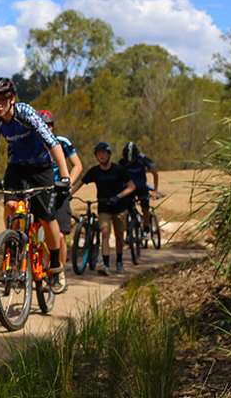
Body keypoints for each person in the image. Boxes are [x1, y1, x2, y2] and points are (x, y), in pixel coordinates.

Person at [0, 78, 72, 294]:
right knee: (9, 204)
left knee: (46, 217)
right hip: (17, 166)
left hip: (41, 167)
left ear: (12, 99)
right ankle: (13, 244)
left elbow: (51, 142)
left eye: (1, 100)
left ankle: (56, 267)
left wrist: (64, 176)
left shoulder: (26, 113)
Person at [68, 142, 135, 275]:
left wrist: (118, 196)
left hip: (119, 207)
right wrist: (69, 194)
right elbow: (80, 183)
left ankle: (119, 261)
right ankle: (105, 264)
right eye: (99, 153)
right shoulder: (94, 172)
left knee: (119, 236)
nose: (102, 155)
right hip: (104, 207)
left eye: (104, 152)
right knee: (105, 233)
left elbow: (131, 186)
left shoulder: (118, 170)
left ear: (109, 154)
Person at [38, 110, 83, 268]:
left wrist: (67, 183)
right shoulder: (32, 145)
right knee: (39, 236)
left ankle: (59, 271)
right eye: (44, 125)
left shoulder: (62, 142)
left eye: (49, 125)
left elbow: (77, 165)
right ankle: (44, 267)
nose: (47, 128)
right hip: (40, 192)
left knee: (60, 236)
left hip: (60, 194)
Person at [119, 141, 160, 233]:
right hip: (129, 188)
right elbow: (117, 175)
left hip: (141, 186)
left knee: (145, 207)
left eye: (133, 159)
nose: (131, 161)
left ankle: (146, 228)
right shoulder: (123, 162)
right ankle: (129, 233)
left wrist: (155, 191)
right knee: (127, 210)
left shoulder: (143, 159)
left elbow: (155, 174)